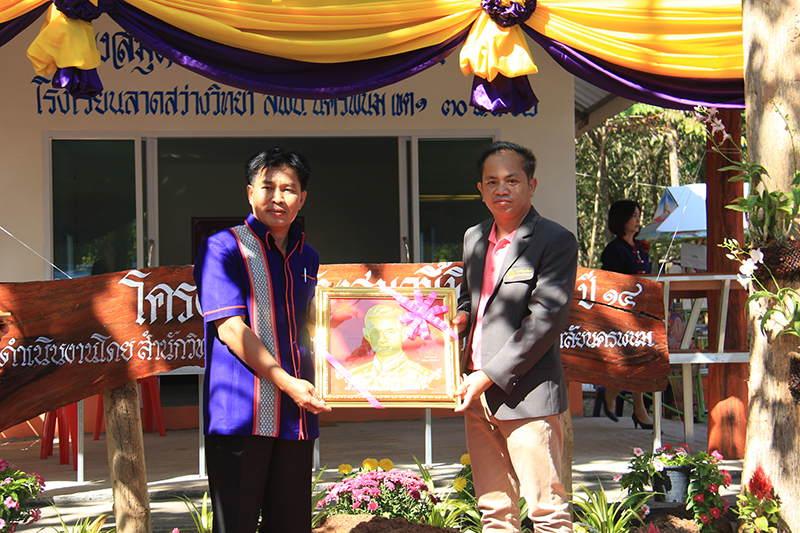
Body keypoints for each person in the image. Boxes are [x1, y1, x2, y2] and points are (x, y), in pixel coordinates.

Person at [193, 147, 331, 533]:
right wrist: (287, 383)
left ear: (302, 198)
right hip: (241, 413)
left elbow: (313, 325)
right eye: (268, 187)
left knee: (291, 525)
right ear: (250, 193)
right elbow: (230, 329)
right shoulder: (223, 247)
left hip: (296, 416)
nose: (277, 197)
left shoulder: (308, 257)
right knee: (235, 525)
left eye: (289, 189)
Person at [452, 141, 577, 533]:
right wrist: (460, 316)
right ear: (480, 189)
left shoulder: (555, 240)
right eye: (491, 181)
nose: (501, 188)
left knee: (548, 513)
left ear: (531, 185)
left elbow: (545, 321)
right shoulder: (474, 237)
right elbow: (471, 297)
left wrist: (488, 375)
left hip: (528, 395)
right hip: (476, 393)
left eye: (512, 180)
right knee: (495, 513)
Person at [598, 200, 654, 430]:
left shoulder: (641, 248)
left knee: (638, 359)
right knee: (633, 359)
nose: (638, 220)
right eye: (633, 216)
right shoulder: (613, 250)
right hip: (622, 313)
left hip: (643, 312)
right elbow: (609, 282)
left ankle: (613, 394)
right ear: (622, 219)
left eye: (639, 215)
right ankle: (638, 409)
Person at [348, 304, 441, 392]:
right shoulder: (353, 378)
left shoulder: (425, 378)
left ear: (404, 334)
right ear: (367, 336)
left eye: (390, 332)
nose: (382, 339)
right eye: (375, 332)